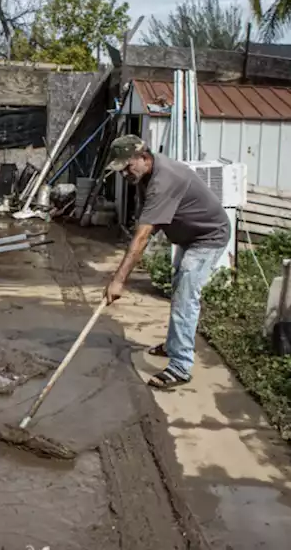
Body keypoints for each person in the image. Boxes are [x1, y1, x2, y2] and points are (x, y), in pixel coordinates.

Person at [102, 135, 230, 389]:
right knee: (179, 288)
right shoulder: (145, 176)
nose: (125, 173)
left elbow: (142, 237)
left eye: (128, 167)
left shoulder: (164, 179)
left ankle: (181, 367)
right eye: (121, 170)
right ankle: (174, 345)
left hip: (208, 237)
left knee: (185, 298)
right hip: (189, 237)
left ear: (143, 156)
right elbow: (147, 222)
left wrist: (118, 281)